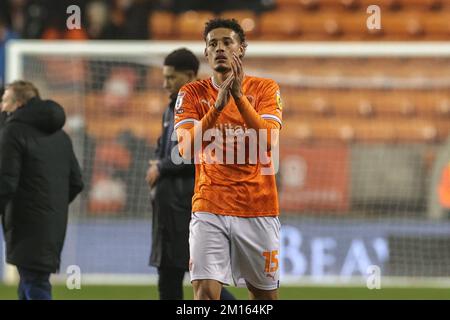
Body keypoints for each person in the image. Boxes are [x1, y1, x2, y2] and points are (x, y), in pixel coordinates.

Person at [174, 18, 283, 300]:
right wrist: (217, 107)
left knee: (264, 299)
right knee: (205, 295)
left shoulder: (265, 89)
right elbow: (185, 149)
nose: (219, 48)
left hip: (257, 207)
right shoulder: (192, 93)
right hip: (210, 205)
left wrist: (238, 97)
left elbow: (268, 141)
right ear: (206, 52)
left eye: (227, 42)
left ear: (242, 49)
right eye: (213, 44)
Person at [147, 48, 235, 300]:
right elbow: (164, 144)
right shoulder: (172, 107)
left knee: (185, 278)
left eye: (170, 78)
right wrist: (159, 160)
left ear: (189, 75)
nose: (165, 84)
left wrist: (161, 166)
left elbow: (192, 151)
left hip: (187, 202)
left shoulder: (200, 105)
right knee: (174, 275)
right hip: (170, 205)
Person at [0, 80, 84, 300]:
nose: (2, 106)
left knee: (34, 283)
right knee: (31, 280)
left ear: (18, 104)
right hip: (52, 221)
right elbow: (77, 182)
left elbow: (6, 181)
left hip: (25, 221)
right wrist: (49, 204)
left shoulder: (12, 131)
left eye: (5, 100)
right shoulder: (61, 135)